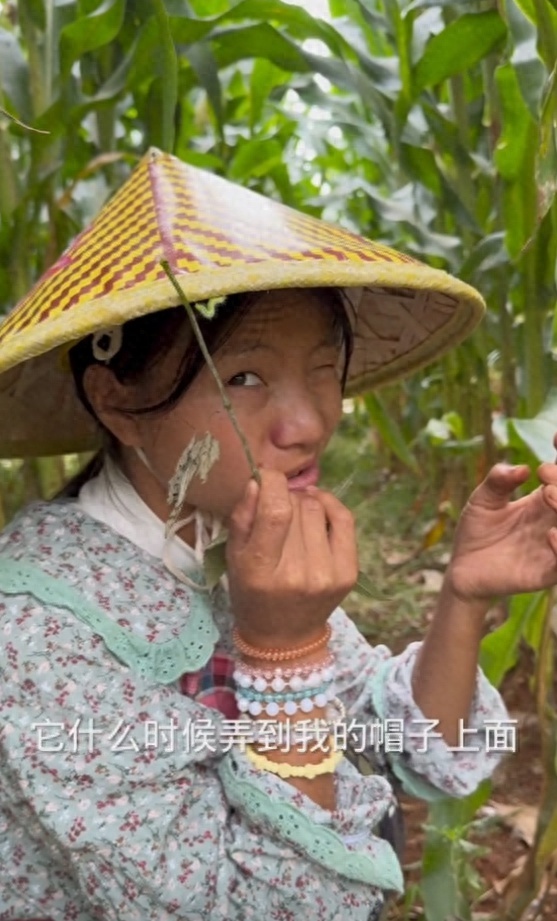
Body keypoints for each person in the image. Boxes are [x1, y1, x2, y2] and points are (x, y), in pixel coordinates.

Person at [1, 148, 557, 921]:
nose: (309, 424)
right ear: (119, 403)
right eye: (246, 378)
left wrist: (461, 595)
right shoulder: (40, 634)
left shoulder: (224, 540)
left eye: (324, 370)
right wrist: (282, 654)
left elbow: (399, 740)